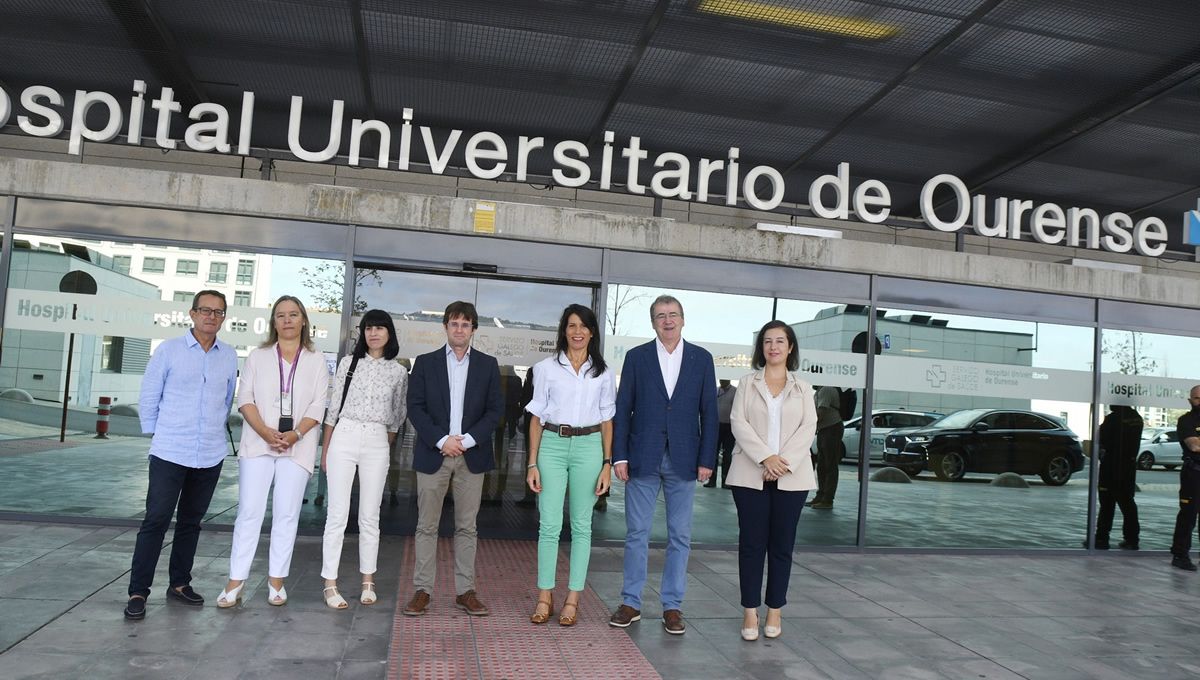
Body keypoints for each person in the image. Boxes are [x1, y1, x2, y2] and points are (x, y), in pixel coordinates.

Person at [124, 291, 239, 620]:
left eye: (218, 312)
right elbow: (150, 393)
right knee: (156, 520)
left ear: (223, 318)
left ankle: (179, 584)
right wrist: (157, 433)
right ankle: (137, 591)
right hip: (170, 450)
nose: (211, 317)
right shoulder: (169, 350)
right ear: (192, 314)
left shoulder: (228, 356)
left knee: (191, 523)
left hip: (209, 452)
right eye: (205, 310)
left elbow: (227, 399)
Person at [609, 294, 717, 635]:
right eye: (660, 316)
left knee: (680, 536)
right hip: (642, 457)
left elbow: (710, 415)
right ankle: (631, 602)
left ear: (683, 320)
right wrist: (620, 455)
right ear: (653, 322)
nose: (667, 321)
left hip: (685, 459)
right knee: (636, 533)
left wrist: (707, 459)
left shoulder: (702, 359)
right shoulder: (637, 357)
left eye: (672, 315)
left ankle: (672, 606)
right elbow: (622, 408)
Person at [217, 296, 330, 607]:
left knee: (286, 514)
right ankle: (236, 579)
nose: (287, 320)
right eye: (280, 315)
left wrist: (295, 434)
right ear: (274, 322)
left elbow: (318, 404)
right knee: (249, 512)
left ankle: (277, 580)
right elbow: (245, 398)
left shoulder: (316, 359)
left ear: (304, 320)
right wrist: (265, 431)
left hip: (299, 446)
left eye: (293, 314)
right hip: (258, 444)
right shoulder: (258, 356)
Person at [402, 301, 503, 616]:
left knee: (467, 527)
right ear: (445, 327)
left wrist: (468, 441)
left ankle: (465, 591)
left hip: (472, 456)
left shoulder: (488, 365)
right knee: (426, 525)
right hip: (435, 453)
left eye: (466, 324)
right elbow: (415, 407)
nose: (460, 329)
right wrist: (443, 440)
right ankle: (422, 591)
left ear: (473, 329)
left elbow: (495, 411)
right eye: (454, 323)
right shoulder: (425, 363)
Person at [727, 320, 817, 641]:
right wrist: (766, 457)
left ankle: (775, 609)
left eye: (780, 341)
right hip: (750, 474)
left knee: (782, 546)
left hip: (791, 477)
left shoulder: (803, 388)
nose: (774, 347)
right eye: (768, 341)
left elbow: (808, 428)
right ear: (761, 348)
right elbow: (739, 423)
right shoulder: (747, 383)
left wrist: (781, 463)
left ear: (790, 347)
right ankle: (750, 611)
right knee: (751, 545)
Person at [525, 304, 615, 626]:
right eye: (571, 326)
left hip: (590, 448)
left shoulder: (603, 372)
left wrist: (607, 463)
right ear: (564, 330)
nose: (577, 332)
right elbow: (536, 418)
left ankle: (573, 598)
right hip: (551, 445)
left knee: (581, 526)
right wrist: (532, 463)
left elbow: (607, 421)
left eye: (583, 326)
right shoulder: (546, 368)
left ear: (592, 331)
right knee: (548, 526)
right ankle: (544, 596)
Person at [319, 310, 409, 609]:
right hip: (344, 434)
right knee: (337, 514)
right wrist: (326, 449)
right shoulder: (348, 363)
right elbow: (333, 409)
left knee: (370, 515)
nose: (374, 333)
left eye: (380, 328)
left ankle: (368, 580)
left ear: (389, 333)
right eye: (369, 328)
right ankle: (330, 583)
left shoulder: (397, 371)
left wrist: (383, 443)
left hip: (376, 438)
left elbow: (397, 417)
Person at [1090, 405, 1142, 550]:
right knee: (1128, 503)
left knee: (1107, 503)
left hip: (1111, 467)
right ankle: (1132, 539)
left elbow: (1101, 438)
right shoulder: (1136, 418)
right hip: (1128, 467)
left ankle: (1101, 538)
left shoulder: (1113, 418)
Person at [1171, 385, 1200, 571]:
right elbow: (1194, 445)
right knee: (1188, 515)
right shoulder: (1186, 420)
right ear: (1190, 400)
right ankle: (1180, 555)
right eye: (1197, 398)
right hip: (1194, 474)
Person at [806, 384, 843, 509]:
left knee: (830, 465)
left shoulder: (827, 389)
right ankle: (820, 496)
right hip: (824, 429)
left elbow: (820, 412)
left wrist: (806, 426)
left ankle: (827, 500)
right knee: (821, 466)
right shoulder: (820, 390)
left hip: (831, 428)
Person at [705, 379, 737, 488]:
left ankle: (726, 481)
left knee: (728, 455)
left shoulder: (735, 391)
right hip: (716, 426)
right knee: (713, 454)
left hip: (730, 427)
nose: (722, 381)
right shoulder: (716, 391)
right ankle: (712, 480)